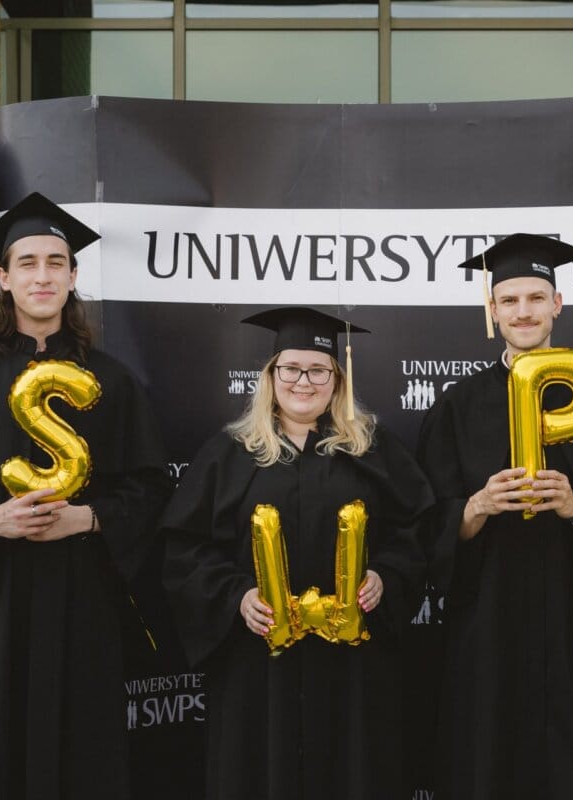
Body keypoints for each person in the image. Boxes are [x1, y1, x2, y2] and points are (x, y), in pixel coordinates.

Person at [0, 192, 173, 800]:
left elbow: (152, 489)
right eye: (27, 263)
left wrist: (91, 517)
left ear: (74, 277)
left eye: (56, 263)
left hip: (79, 603)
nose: (42, 276)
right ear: (3, 277)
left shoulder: (114, 383)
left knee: (79, 759)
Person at [160, 307, 432, 799]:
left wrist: (387, 576)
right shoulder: (230, 453)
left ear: (336, 379)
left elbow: (416, 532)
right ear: (271, 376)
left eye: (318, 370)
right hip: (258, 666)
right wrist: (235, 597)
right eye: (291, 369)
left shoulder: (373, 449)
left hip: (352, 668)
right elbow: (184, 548)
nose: (303, 382)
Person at [417, 233, 573, 800]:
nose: (523, 311)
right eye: (510, 300)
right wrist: (475, 508)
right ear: (491, 310)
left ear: (557, 305)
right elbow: (423, 522)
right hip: (489, 621)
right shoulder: (458, 404)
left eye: (535, 298)